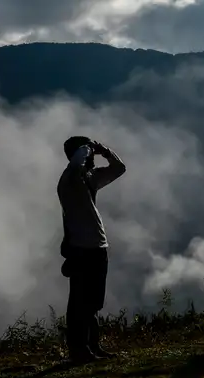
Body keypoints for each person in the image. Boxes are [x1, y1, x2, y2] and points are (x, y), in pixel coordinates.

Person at [58, 136, 126, 363]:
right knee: (79, 302)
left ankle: (92, 347)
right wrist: (88, 148)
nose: (91, 158)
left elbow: (119, 168)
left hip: (97, 247)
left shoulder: (88, 179)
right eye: (88, 155)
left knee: (93, 301)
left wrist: (105, 150)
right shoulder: (70, 179)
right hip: (82, 248)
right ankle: (80, 350)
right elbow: (76, 165)